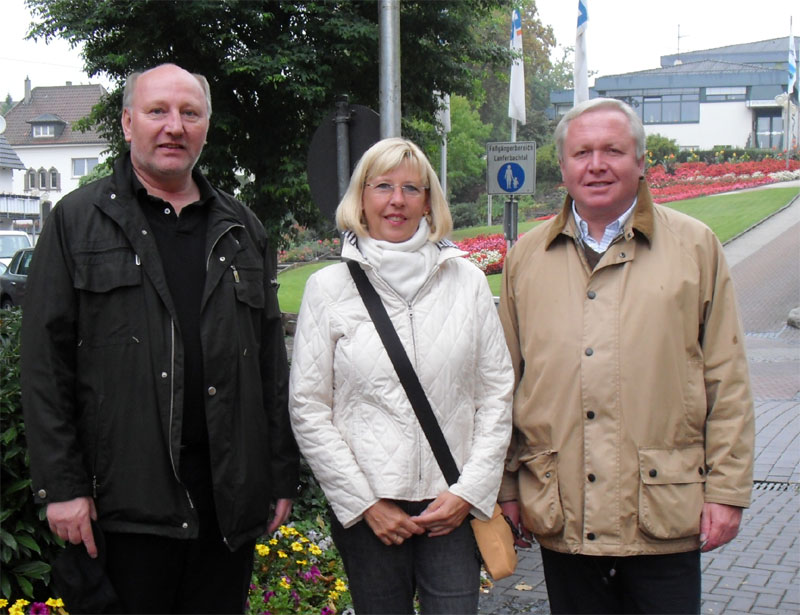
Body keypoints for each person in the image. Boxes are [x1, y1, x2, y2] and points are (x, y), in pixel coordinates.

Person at [21, 63, 299, 614]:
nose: (174, 126)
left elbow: (270, 366)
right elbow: (44, 366)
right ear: (128, 124)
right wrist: (62, 486)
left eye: (189, 113)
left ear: (205, 127)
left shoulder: (243, 230)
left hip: (226, 502)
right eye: (158, 112)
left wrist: (278, 474)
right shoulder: (77, 222)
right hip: (122, 506)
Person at [498, 97, 755, 614]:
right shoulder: (526, 257)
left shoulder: (695, 247)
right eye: (582, 152)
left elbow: (726, 378)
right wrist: (505, 484)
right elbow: (505, 380)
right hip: (561, 507)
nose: (596, 165)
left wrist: (727, 491)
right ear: (564, 166)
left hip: (661, 511)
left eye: (613, 150)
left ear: (640, 162)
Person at [289, 137, 514, 614]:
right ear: (361, 198)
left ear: (428, 200)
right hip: (372, 511)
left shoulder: (467, 282)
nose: (397, 200)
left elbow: (496, 394)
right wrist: (365, 503)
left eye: (412, 188)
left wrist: (468, 491)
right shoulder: (327, 289)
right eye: (383, 186)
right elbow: (309, 407)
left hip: (449, 504)